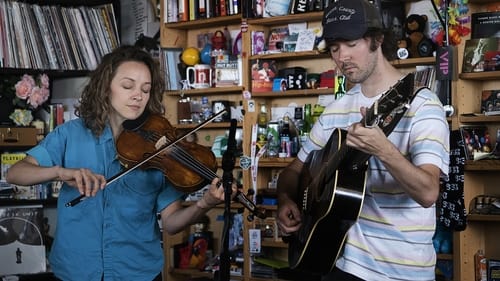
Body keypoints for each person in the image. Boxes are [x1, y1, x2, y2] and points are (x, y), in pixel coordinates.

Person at [6, 45, 236, 281]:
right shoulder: (69, 134)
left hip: (137, 272)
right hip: (76, 270)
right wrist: (60, 172)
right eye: (128, 86)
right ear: (106, 87)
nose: (138, 95)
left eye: (146, 90)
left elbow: (171, 223)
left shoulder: (162, 150)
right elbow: (15, 173)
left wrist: (205, 204)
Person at [276, 1, 450, 280]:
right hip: (339, 263)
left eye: (351, 44)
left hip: (401, 272)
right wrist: (285, 200)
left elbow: (429, 193)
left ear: (377, 40)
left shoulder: (423, 106)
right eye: (334, 48)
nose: (342, 56)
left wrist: (383, 150)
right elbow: (293, 171)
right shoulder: (335, 111)